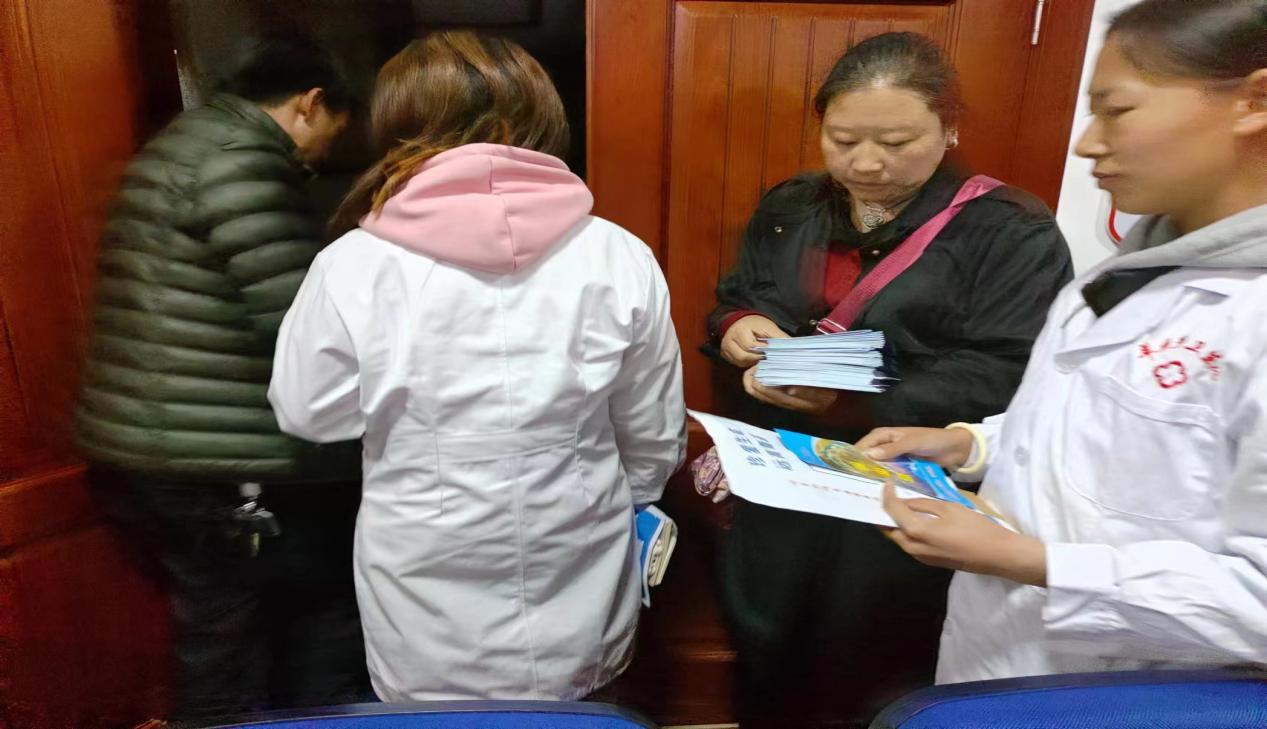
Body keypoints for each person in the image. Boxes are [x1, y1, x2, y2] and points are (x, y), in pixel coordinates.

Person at [268, 31, 686, 703]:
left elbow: (309, 413)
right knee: (573, 706)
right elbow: (652, 425)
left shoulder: (353, 264)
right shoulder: (616, 254)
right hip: (576, 535)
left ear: (398, 124)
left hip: (423, 552)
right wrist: (632, 494)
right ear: (542, 117)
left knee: (437, 711)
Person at [860, 0, 1267, 684]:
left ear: (1254, 100)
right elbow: (1100, 432)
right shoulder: (1130, 271)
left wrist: (1034, 562)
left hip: (1135, 688)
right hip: (998, 652)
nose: (1086, 144)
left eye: (1117, 110)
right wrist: (969, 444)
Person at [703, 32, 1073, 727]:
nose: (866, 163)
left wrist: (849, 397)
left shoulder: (1009, 231)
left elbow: (1007, 370)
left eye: (897, 142)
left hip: (900, 490)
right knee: (765, 642)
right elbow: (739, 295)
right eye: (842, 140)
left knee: (872, 661)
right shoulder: (791, 206)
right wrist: (738, 327)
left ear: (948, 128)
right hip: (784, 474)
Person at [76, 36, 367, 719]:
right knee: (258, 627)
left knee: (224, 622)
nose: (320, 154)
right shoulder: (243, 164)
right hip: (214, 460)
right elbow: (298, 329)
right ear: (310, 103)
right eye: (332, 132)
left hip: (150, 445)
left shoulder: (183, 146)